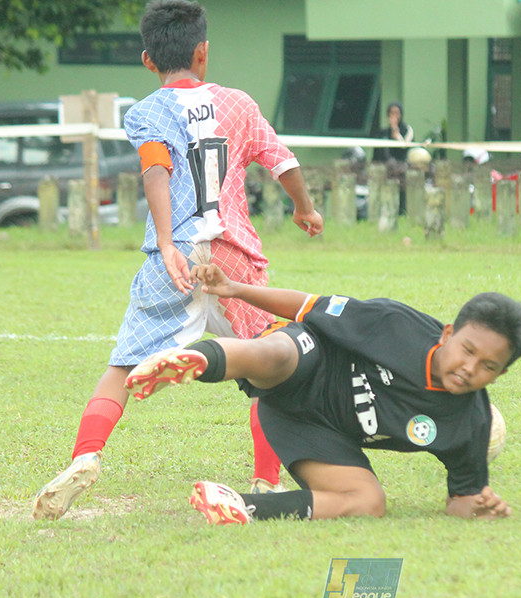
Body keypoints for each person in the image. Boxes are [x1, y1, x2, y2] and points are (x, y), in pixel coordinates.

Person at [32, 0, 324, 521]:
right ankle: (265, 477)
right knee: (270, 362)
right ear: (203, 52)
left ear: (148, 60)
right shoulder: (238, 104)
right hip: (234, 257)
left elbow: (156, 170)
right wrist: (305, 208)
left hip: (178, 256)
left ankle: (86, 457)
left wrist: (168, 243)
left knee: (122, 366)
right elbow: (283, 162)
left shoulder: (146, 112)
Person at [123, 263, 521, 524]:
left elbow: (460, 500)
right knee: (278, 353)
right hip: (312, 361)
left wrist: (478, 507)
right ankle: (198, 358)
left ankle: (242, 507)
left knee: (369, 502)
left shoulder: (470, 424)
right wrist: (236, 289)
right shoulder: (397, 324)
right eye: (467, 350)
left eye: (488, 366)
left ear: (500, 375)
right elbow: (310, 306)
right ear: (447, 334)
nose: (470, 368)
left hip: (310, 430)